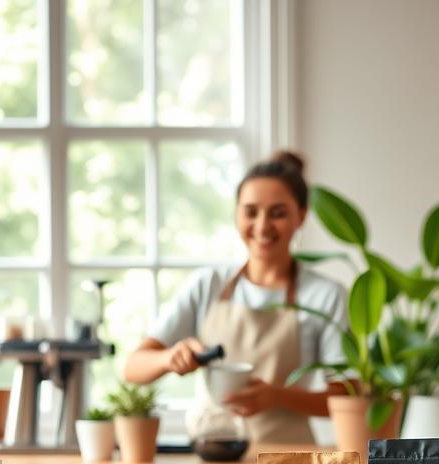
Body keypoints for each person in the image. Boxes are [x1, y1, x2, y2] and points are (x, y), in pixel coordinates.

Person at [123, 150, 348, 444]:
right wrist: (169, 358)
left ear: (301, 216)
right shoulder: (208, 285)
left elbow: (347, 396)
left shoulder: (325, 296)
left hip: (289, 460)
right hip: (212, 457)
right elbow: (133, 367)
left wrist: (276, 397)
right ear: (236, 214)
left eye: (278, 213)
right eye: (251, 212)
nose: (263, 226)